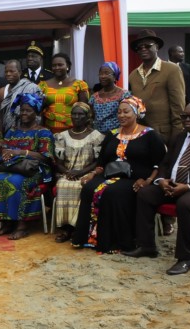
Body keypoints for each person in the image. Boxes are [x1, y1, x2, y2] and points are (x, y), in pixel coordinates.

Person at [125, 102, 190, 275]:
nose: (187, 120)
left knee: (186, 203)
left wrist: (188, 186)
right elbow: (165, 163)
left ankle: (186, 258)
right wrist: (161, 180)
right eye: (184, 116)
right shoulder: (180, 137)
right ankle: (146, 246)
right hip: (173, 185)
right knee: (145, 194)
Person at [71, 96, 166, 254]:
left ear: (136, 113)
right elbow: (102, 162)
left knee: (113, 193)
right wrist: (92, 174)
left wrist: (148, 180)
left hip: (135, 179)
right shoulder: (112, 134)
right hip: (110, 175)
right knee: (88, 188)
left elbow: (160, 163)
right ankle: (88, 238)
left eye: (126, 112)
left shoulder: (149, 135)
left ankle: (115, 241)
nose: (121, 115)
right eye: (119, 112)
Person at [0, 93, 54, 240]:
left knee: (16, 182)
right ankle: (7, 222)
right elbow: (4, 149)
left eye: (28, 110)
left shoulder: (43, 132)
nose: (23, 113)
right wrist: (5, 154)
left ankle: (21, 226)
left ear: (36, 113)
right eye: (22, 110)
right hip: (12, 168)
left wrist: (21, 152)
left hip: (35, 171)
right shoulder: (12, 131)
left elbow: (46, 157)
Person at [52, 103, 104, 243]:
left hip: (88, 173)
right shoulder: (62, 136)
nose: (76, 116)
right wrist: (68, 172)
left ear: (88, 117)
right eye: (74, 113)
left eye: (81, 114)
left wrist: (81, 172)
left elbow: (98, 161)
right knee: (63, 185)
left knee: (83, 186)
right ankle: (66, 228)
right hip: (67, 174)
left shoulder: (96, 136)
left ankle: (79, 228)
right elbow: (58, 161)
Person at [128, 30, 185, 144]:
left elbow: (178, 105)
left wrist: (177, 134)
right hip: (139, 133)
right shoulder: (133, 75)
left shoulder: (171, 69)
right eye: (139, 47)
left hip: (163, 134)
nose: (143, 49)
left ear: (157, 47)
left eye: (148, 45)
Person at [38, 53, 90, 134]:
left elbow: (84, 109)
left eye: (60, 65)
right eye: (54, 65)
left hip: (73, 131)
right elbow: (39, 109)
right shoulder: (43, 85)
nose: (57, 68)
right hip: (49, 131)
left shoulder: (79, 84)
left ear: (67, 66)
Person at [0, 59, 42, 132]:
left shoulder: (31, 88)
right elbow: (0, 116)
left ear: (20, 72)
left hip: (29, 132)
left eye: (12, 71)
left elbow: (38, 113)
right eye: (6, 72)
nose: (8, 74)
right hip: (8, 133)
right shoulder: (1, 91)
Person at [89, 62, 129, 134]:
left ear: (114, 76)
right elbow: (91, 117)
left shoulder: (124, 95)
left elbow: (128, 117)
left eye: (106, 73)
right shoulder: (94, 97)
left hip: (117, 135)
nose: (103, 76)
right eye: (101, 74)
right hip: (98, 136)